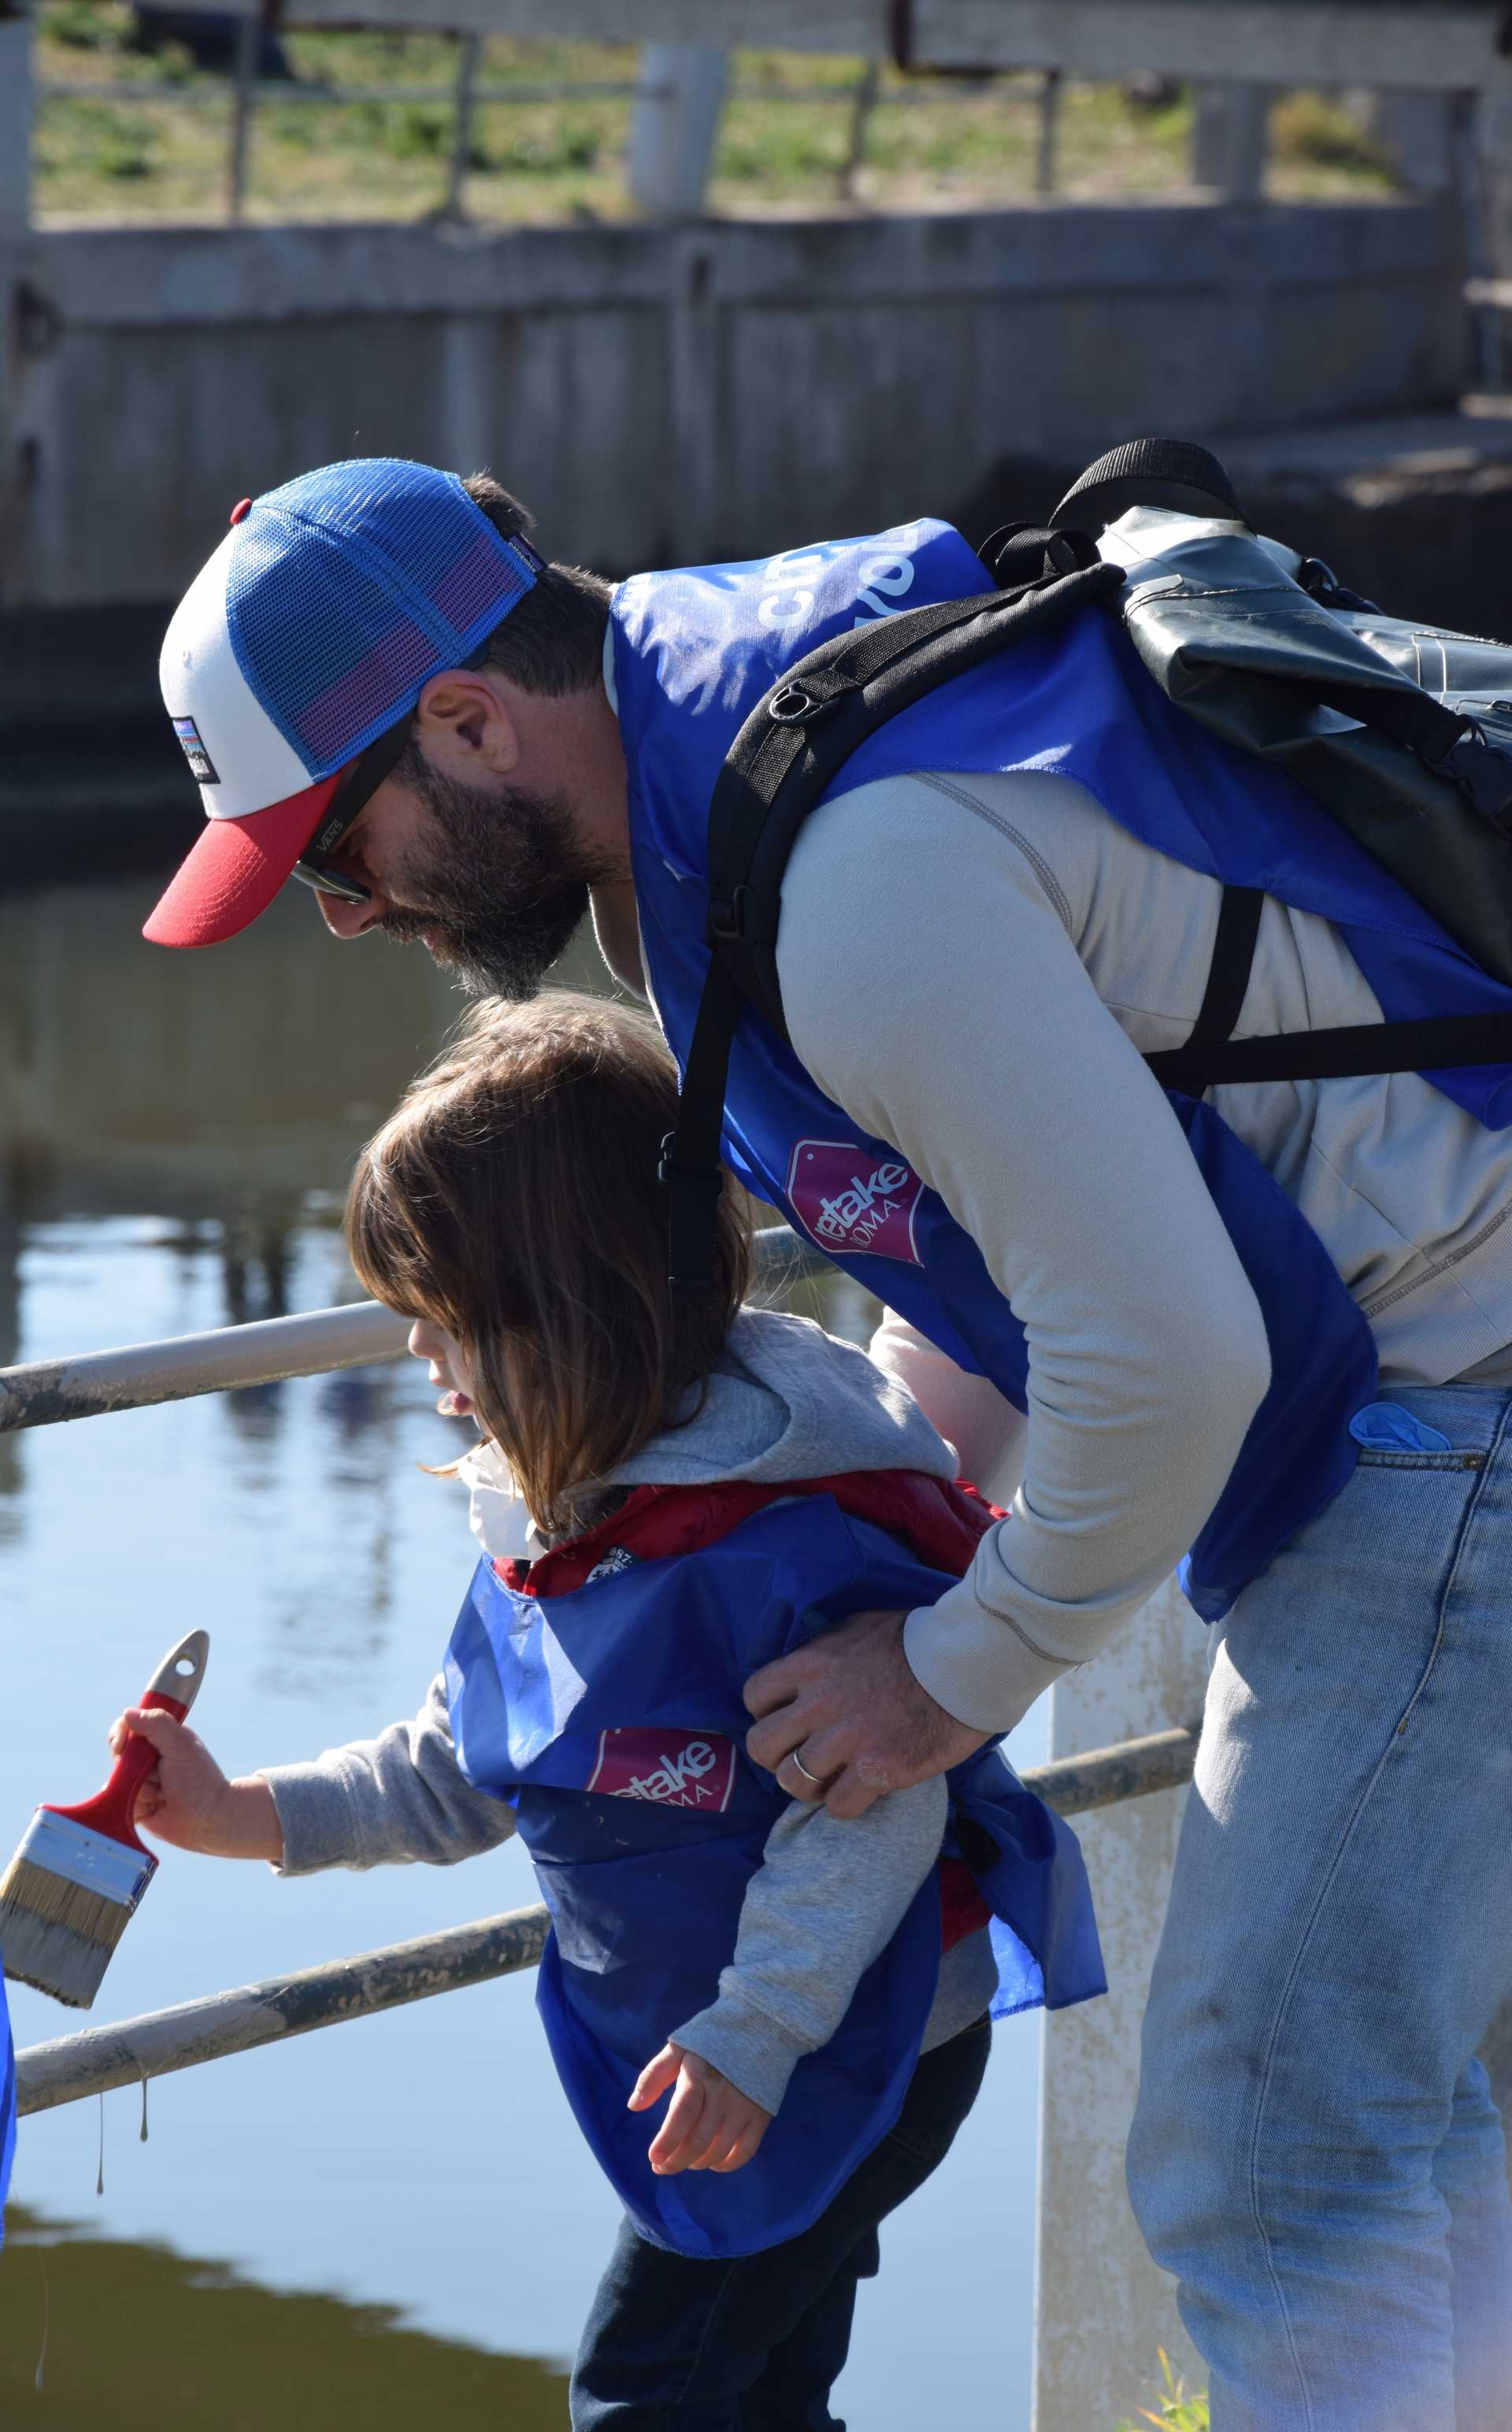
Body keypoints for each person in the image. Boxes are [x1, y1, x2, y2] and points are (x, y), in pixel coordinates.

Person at [142, 458, 1512, 2424]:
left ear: (469, 722)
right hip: (1425, 1391)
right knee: (1384, 2129)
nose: (352, 917)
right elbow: (988, 1232)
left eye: (340, 850)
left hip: (1453, 1406)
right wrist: (846, 1470)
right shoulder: (732, 781)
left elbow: (1173, 1355)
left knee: (1267, 2162)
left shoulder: (850, 871)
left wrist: (943, 1675)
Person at [106, 992, 1102, 2431]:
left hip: (841, 2035)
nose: (412, 1357)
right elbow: (463, 1766)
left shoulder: (782, 1541)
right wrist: (245, 1815)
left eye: (439, 1320)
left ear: (569, 1314)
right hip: (740, 2042)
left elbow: (878, 1809)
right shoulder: (566, 1505)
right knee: (759, 2396)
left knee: (642, 2396)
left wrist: (758, 2035)